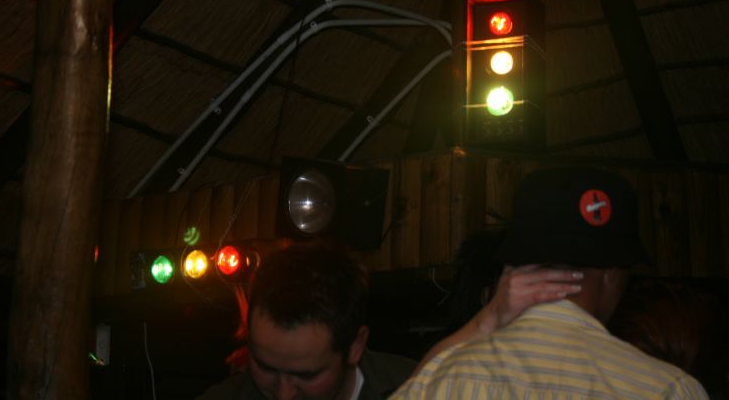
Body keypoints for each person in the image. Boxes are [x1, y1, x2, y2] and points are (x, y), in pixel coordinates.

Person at [391, 166, 710, 399]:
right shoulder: (669, 390)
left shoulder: (449, 379)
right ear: (614, 272)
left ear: (517, 264)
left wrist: (489, 318)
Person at [196, 238, 581, 400]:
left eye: (306, 375)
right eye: (265, 366)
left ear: (356, 345)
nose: (283, 394)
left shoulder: (409, 387)